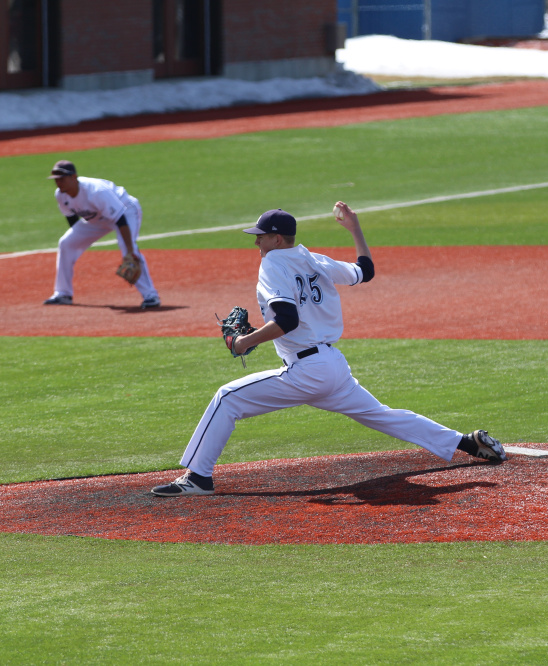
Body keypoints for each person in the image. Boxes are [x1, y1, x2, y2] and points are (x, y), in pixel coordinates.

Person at [152, 203, 506, 497]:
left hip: (308, 370)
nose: (256, 243)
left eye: (260, 237)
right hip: (332, 366)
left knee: (227, 398)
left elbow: (287, 320)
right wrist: (355, 229)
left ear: (276, 238)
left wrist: (246, 341)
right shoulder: (313, 258)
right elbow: (364, 271)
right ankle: (467, 442)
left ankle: (198, 478)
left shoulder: (272, 263)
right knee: (382, 414)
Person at [44, 160, 160, 309]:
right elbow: (73, 219)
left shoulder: (96, 191)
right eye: (56, 179)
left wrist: (130, 251)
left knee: (127, 247)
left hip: (125, 210)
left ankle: (151, 296)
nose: (59, 182)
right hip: (96, 219)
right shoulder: (61, 195)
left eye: (62, 178)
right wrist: (82, 240)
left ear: (74, 177)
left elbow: (120, 219)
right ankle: (63, 294)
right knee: (66, 243)